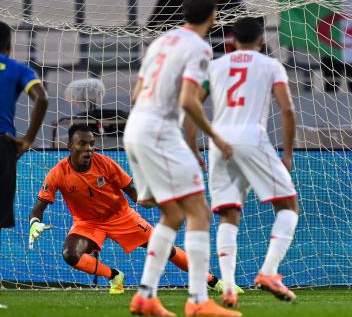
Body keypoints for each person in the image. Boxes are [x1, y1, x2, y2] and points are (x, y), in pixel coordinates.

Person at [124, 0, 240, 317]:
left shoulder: (161, 42)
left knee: (173, 215)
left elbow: (136, 92)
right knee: (199, 212)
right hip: (159, 131)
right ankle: (198, 300)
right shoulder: (199, 47)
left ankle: (146, 295)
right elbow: (190, 100)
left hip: (136, 127)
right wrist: (215, 136)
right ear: (213, 15)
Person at [28, 124, 241, 296]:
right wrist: (34, 222)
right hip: (87, 223)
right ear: (70, 146)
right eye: (82, 144)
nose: (89, 149)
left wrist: (150, 201)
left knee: (166, 249)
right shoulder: (57, 174)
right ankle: (114, 275)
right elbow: (39, 206)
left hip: (121, 217)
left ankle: (213, 281)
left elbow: (132, 191)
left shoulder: (106, 164)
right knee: (70, 254)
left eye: (92, 144)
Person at [207, 17, 299, 308]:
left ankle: (229, 287)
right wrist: (287, 153)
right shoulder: (270, 65)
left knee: (228, 214)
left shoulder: (216, 65)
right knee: (287, 205)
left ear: (231, 41)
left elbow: (192, 101)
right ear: (261, 41)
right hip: (251, 136)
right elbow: (286, 108)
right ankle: (269, 272)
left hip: (218, 140)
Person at [0, 21, 48, 309]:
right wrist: (27, 139)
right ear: (9, 45)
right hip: (2, 145)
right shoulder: (18, 69)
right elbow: (41, 97)